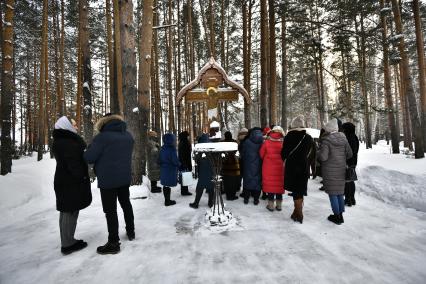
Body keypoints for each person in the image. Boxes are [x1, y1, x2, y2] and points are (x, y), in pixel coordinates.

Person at [84, 114, 135, 254]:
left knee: (110, 211)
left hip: (108, 180)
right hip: (124, 178)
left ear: (103, 123)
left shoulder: (101, 138)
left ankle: (113, 242)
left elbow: (89, 158)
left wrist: (89, 148)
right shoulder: (128, 136)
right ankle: (131, 232)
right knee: (126, 204)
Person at [52, 116, 92, 255]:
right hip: (70, 182)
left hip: (64, 180)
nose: (76, 127)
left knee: (66, 210)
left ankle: (67, 240)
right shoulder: (68, 142)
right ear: (66, 126)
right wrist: (82, 175)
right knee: (70, 210)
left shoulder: (62, 140)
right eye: (73, 125)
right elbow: (73, 164)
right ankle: (68, 244)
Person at [317, 118, 353, 225]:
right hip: (341, 169)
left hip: (329, 171)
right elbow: (349, 154)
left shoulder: (326, 140)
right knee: (339, 193)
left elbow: (323, 157)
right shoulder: (344, 139)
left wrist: (318, 151)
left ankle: (336, 216)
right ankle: (340, 215)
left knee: (333, 193)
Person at [281, 116, 314, 224]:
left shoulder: (288, 137)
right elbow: (312, 153)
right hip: (303, 166)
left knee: (295, 190)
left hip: (291, 167)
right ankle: (297, 212)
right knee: (300, 189)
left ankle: (298, 213)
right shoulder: (308, 137)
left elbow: (283, 154)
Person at [260, 126, 285, 211]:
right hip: (280, 167)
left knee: (270, 185)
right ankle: (279, 205)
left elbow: (261, 154)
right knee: (278, 185)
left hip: (268, 167)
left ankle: (270, 205)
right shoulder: (283, 142)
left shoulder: (266, 142)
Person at [189, 134, 214, 208]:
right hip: (211, 170)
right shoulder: (211, 147)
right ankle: (210, 203)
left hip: (203, 170)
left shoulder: (200, 148)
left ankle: (196, 203)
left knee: (200, 187)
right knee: (211, 187)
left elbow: (197, 160)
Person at [242, 127, 264, 205]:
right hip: (259, 164)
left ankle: (246, 198)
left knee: (248, 180)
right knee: (257, 182)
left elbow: (243, 153)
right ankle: (256, 199)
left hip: (248, 164)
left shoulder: (247, 142)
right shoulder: (262, 142)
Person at [158, 133, 180, 206]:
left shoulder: (162, 148)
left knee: (165, 185)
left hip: (164, 169)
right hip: (170, 169)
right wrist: (179, 164)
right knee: (167, 185)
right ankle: (167, 201)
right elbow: (175, 161)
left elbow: (158, 160)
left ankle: (167, 200)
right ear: (171, 140)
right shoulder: (172, 149)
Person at [342, 122, 359, 206]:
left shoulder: (347, 138)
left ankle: (348, 199)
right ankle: (352, 198)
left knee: (347, 181)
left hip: (347, 162)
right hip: (353, 162)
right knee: (351, 180)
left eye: (344, 129)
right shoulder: (355, 137)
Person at [222, 131, 240, 200]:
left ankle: (228, 195)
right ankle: (232, 195)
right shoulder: (234, 143)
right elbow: (238, 153)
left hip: (225, 165)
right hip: (234, 165)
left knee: (226, 181)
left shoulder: (222, 143)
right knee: (233, 182)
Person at [178, 131, 193, 196]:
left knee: (184, 176)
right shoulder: (184, 142)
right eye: (187, 136)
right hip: (185, 162)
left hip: (184, 162)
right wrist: (185, 164)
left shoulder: (182, 142)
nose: (188, 137)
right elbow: (183, 154)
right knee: (185, 176)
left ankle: (184, 190)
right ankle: (184, 191)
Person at [237, 128, 248, 197]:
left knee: (240, 176)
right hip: (248, 161)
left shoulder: (238, 142)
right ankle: (246, 190)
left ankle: (238, 187)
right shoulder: (249, 141)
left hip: (240, 160)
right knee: (246, 177)